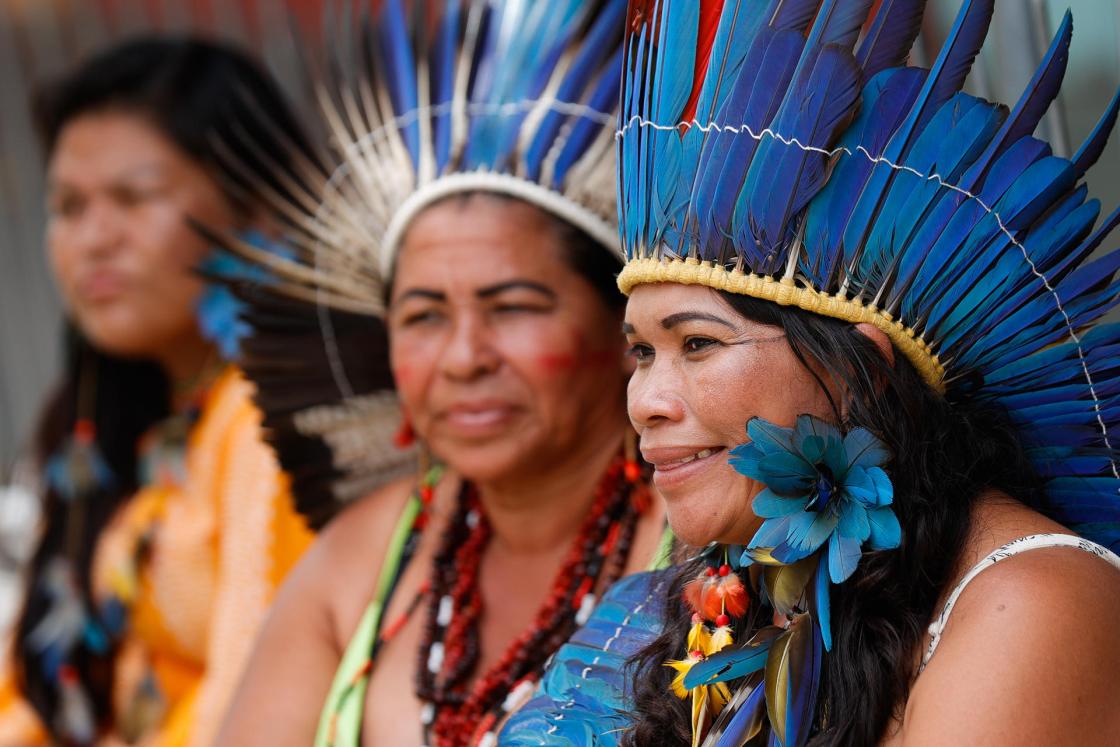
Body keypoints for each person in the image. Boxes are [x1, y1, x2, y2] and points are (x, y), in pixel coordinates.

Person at [502, 1, 1120, 745]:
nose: (647, 402)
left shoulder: (1030, 599)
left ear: (862, 376)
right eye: (641, 351)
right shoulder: (687, 599)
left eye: (696, 343)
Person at [212, 2, 668, 746]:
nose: (464, 356)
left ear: (626, 332)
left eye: (513, 307)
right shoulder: (365, 556)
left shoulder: (698, 544)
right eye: (424, 316)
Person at [0, 37, 319, 747]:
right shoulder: (114, 416)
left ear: (258, 208)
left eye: (133, 197)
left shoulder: (270, 410)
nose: (94, 238)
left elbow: (248, 707)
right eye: (68, 206)